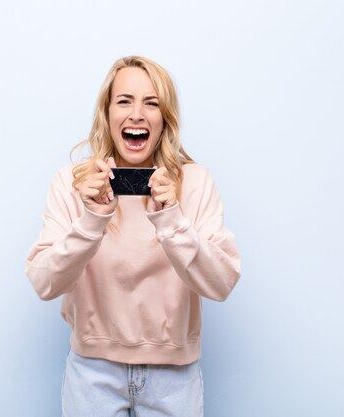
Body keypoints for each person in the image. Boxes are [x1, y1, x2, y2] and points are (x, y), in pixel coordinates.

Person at [25, 56, 241, 417]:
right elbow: (44, 283)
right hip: (92, 373)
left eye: (151, 102)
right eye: (124, 101)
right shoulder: (70, 183)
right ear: (107, 113)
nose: (137, 114)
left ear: (164, 118)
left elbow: (221, 284)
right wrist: (93, 219)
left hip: (175, 377)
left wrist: (171, 219)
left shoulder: (195, 182)